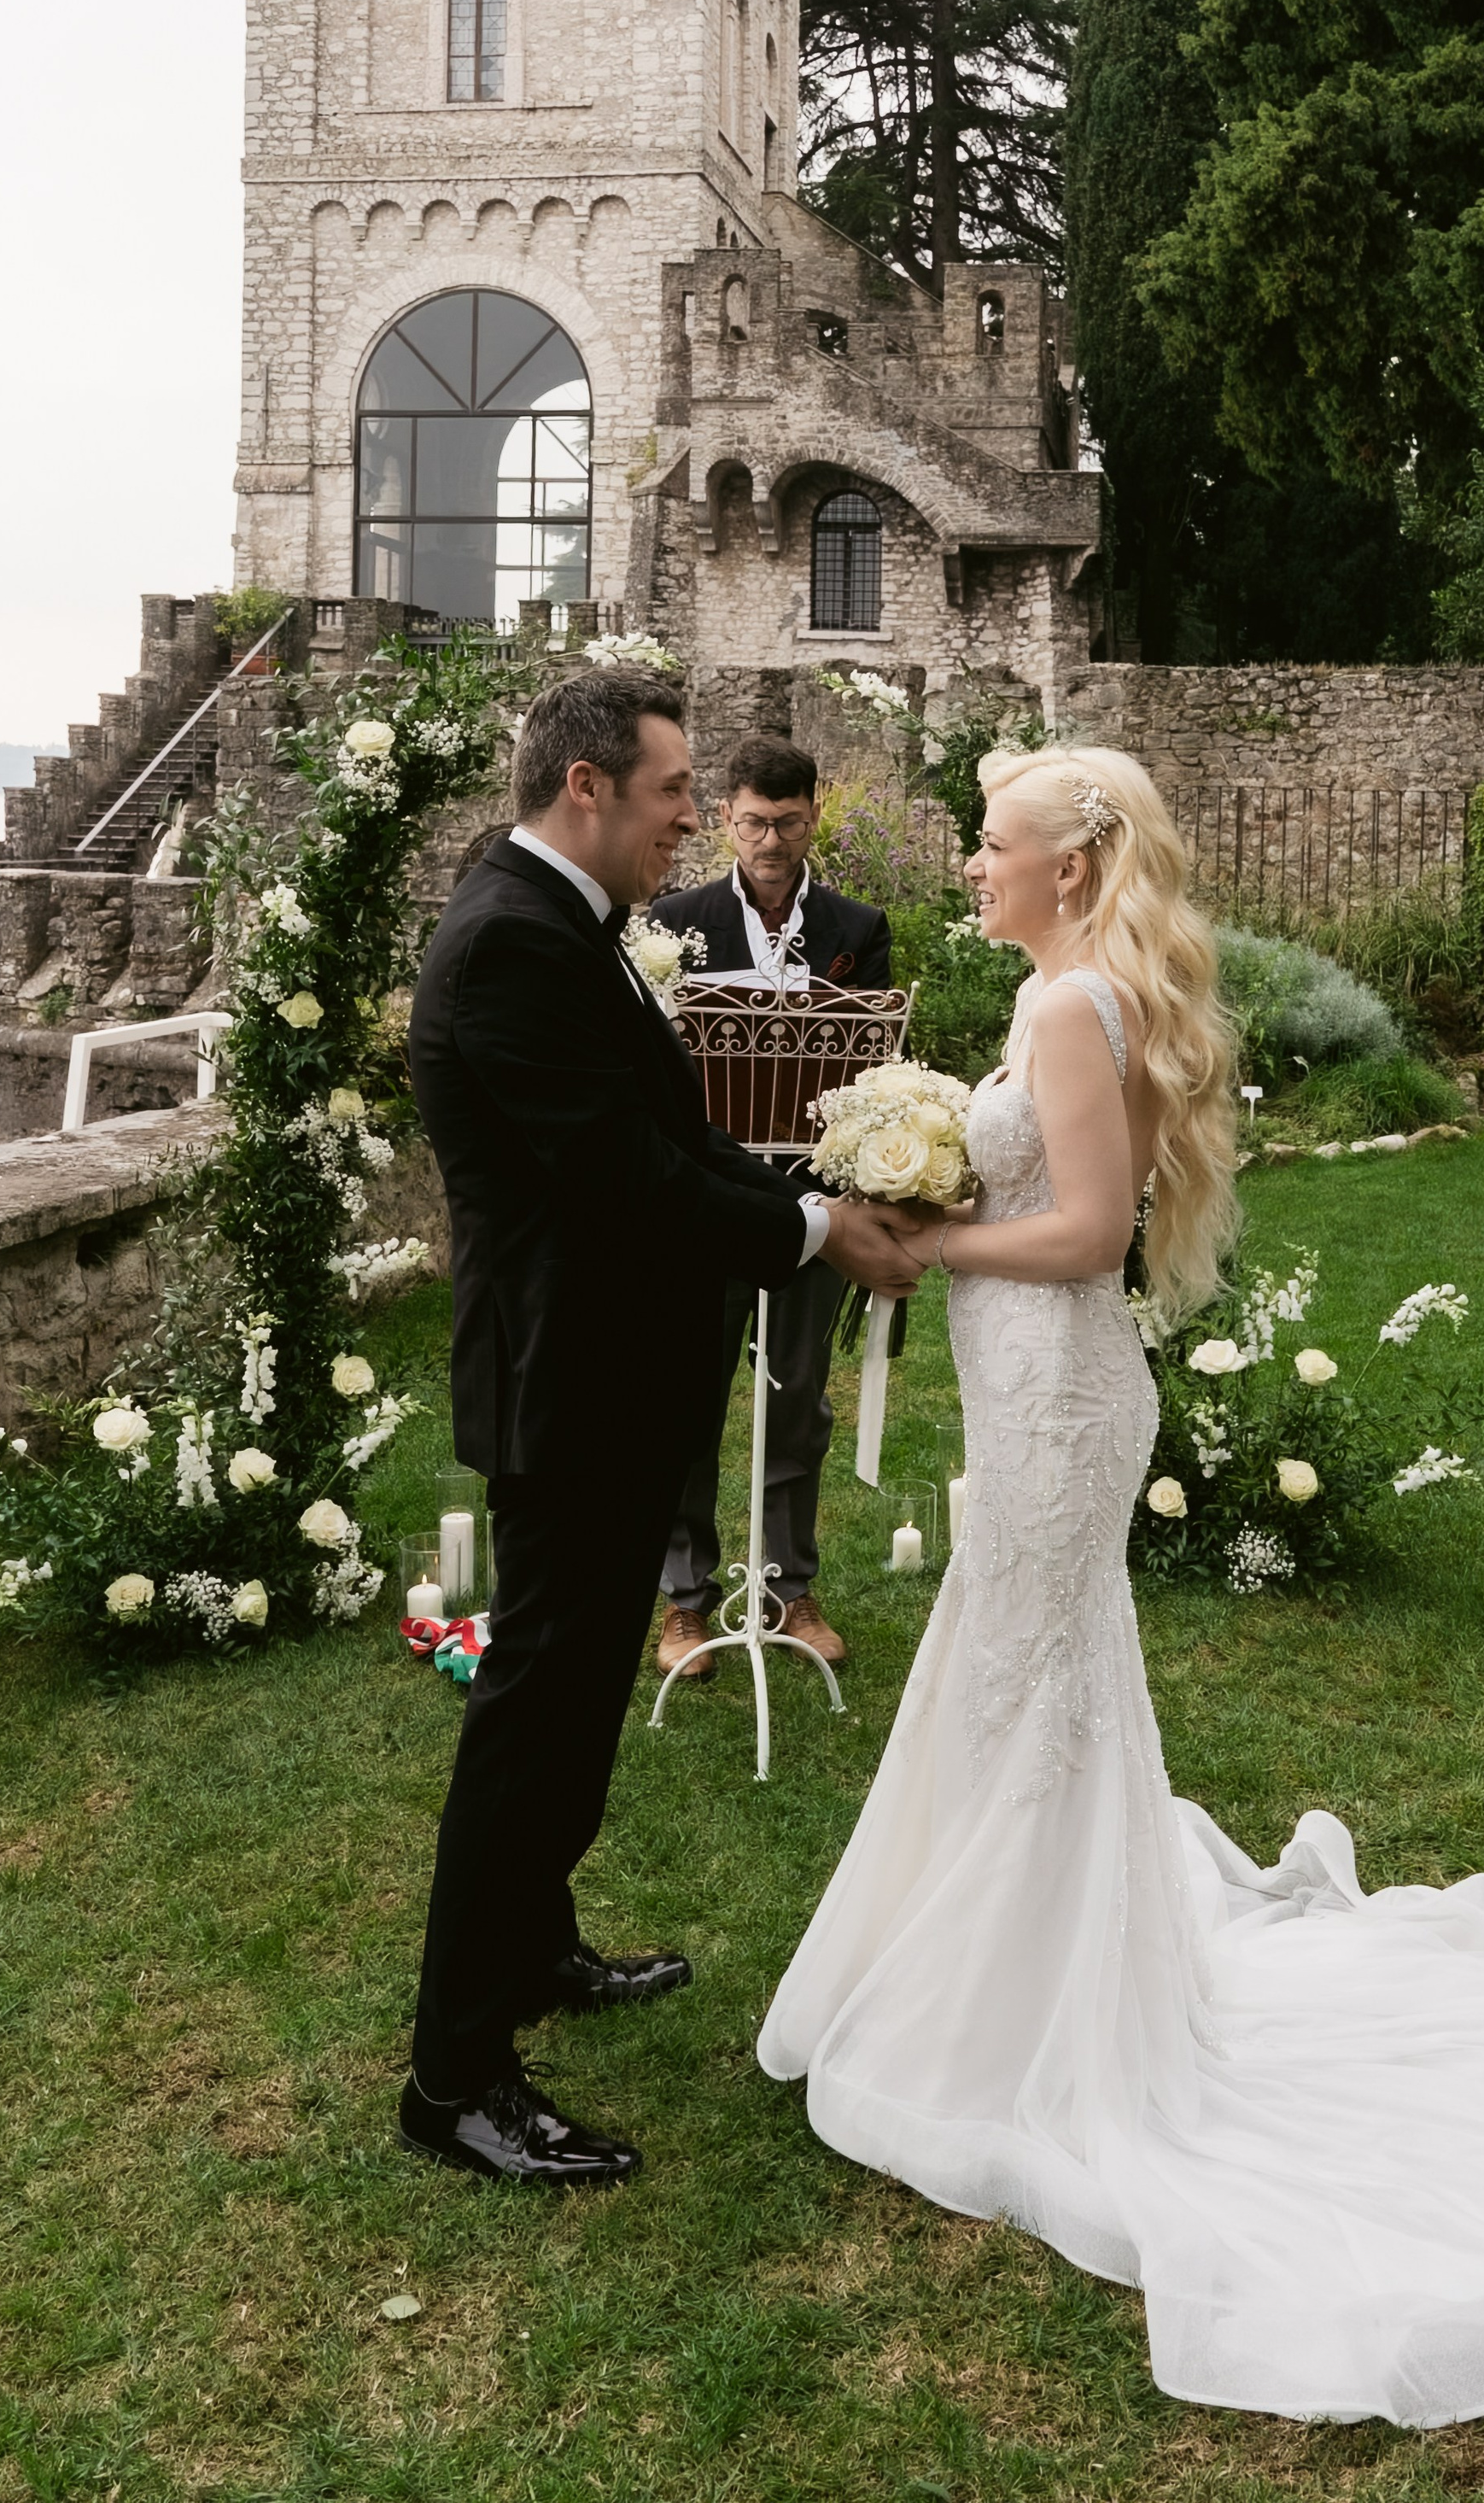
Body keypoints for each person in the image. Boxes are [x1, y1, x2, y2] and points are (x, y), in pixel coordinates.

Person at [757, 745, 1484, 2427]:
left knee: (1029, 1685)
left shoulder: (1071, 1016)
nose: (971, 873)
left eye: (992, 851)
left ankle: (1029, 2020)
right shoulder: (1057, 994)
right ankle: (1015, 1974)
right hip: (1035, 1390)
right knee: (1020, 1688)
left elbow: (1083, 1234)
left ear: (1066, 866)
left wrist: (918, 1240)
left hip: (1059, 1391)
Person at [400, 667, 920, 2191]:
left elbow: (675, 1135)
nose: (693, 817)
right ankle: (455, 2077)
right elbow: (626, 1184)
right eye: (673, 790)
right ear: (587, 791)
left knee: (566, 1711)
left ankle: (538, 1946)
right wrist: (822, 1236)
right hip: (568, 1387)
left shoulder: (568, 924)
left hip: (614, 1382)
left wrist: (808, 1195)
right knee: (533, 1716)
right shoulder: (508, 944)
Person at [652, 734, 891, 1681]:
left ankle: (791, 1591)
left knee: (796, 1401)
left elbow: (868, 1065)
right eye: (753, 822)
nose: (770, 841)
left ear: (814, 817)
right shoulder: (674, 920)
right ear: (724, 818)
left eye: (788, 823)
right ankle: (683, 1603)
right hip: (703, 1197)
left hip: (809, 1197)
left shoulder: (855, 926)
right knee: (685, 1395)